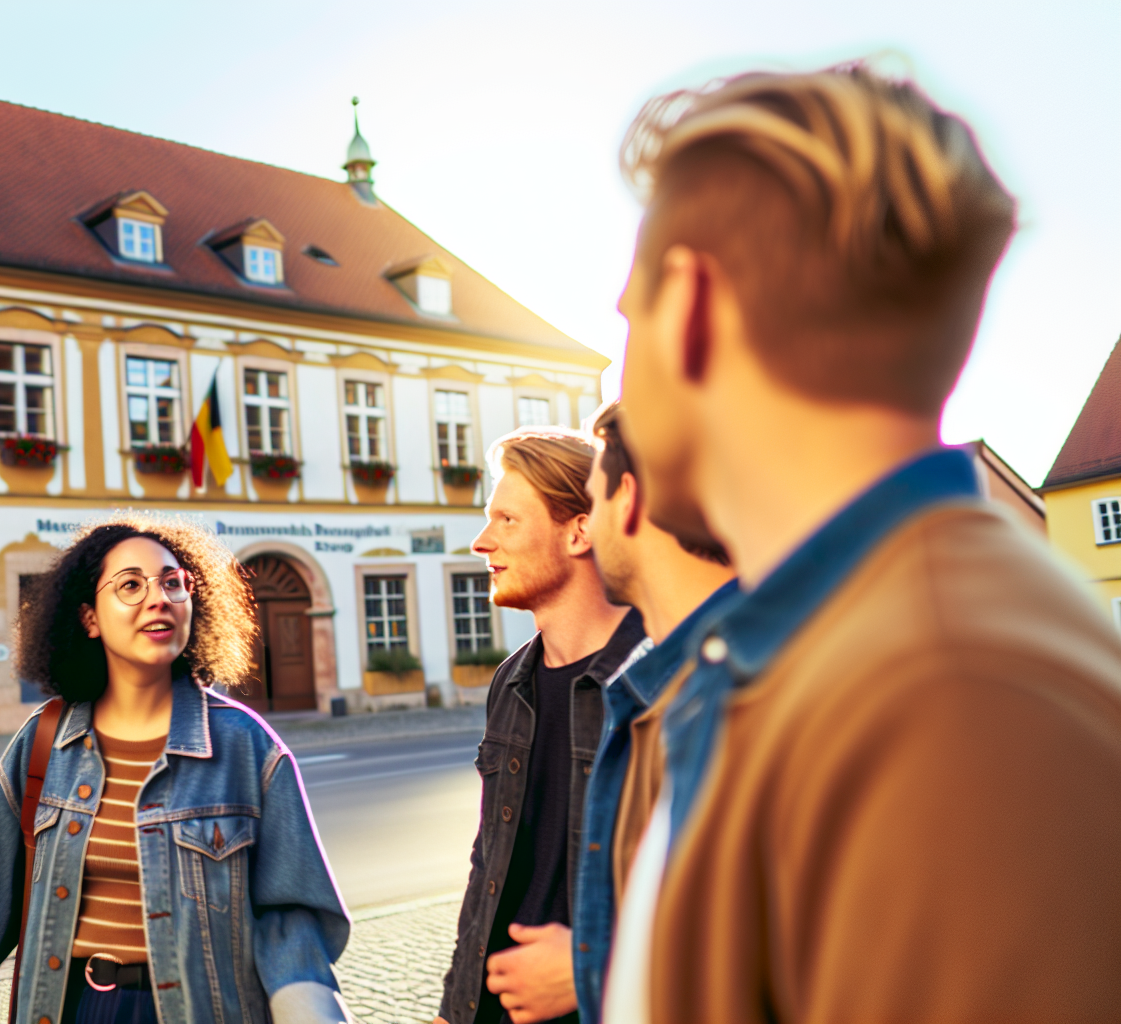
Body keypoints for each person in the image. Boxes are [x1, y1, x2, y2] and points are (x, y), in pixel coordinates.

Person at [606, 63, 1121, 1023]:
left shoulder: (948, 700)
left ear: (694, 308)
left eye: (629, 319)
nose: (621, 381)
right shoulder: (830, 654)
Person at [0, 513, 351, 1024]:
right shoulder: (45, 741)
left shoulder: (247, 746)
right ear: (89, 618)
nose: (159, 599)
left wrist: (310, 1012)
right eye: (131, 585)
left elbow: (289, 917)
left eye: (173, 583)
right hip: (70, 1008)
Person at [435, 429, 646, 1024]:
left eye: (507, 519)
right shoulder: (512, 681)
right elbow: (489, 863)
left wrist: (594, 968)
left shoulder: (655, 679)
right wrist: (455, 1009)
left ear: (580, 531)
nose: (482, 541)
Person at [568, 401, 735, 1023]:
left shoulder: (728, 695)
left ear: (629, 499)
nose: (588, 527)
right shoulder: (651, 685)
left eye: (592, 500)